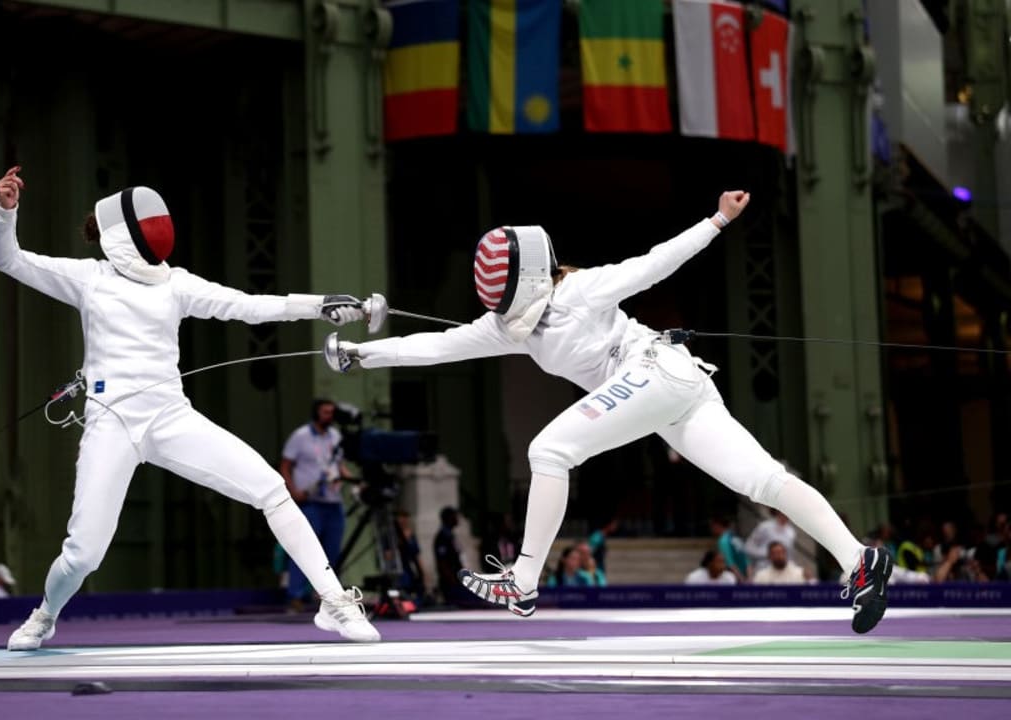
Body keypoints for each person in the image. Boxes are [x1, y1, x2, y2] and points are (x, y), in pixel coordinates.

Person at [326, 191, 892, 633]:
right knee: (762, 479)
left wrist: (716, 221)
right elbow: (436, 346)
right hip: (670, 393)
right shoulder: (512, 327)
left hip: (659, 372)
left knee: (550, 450)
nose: (494, 302)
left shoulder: (580, 291)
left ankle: (522, 581)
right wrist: (360, 355)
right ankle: (860, 560)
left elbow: (654, 264)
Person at [0, 167, 379, 648]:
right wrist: (5, 212)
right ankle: (45, 615)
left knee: (271, 489)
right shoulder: (88, 278)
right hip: (112, 424)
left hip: (170, 417)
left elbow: (249, 305)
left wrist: (318, 305)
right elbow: (10, 261)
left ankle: (334, 601)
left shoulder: (175, 284)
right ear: (125, 237)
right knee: (83, 553)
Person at [280, 398, 352, 610]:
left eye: (332, 412)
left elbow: (341, 466)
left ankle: (328, 597)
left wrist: (355, 482)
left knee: (333, 551)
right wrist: (292, 491)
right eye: (325, 412)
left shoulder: (336, 436)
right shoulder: (301, 436)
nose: (329, 416)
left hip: (333, 501)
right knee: (304, 549)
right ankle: (295, 596)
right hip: (310, 501)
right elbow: (285, 465)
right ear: (316, 413)